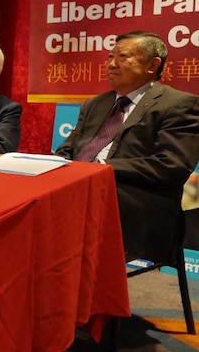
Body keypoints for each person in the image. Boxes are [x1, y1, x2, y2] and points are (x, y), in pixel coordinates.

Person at [55, 31, 199, 263]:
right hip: (82, 190)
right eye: (110, 56)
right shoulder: (96, 104)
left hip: (135, 204)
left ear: (153, 65)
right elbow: (68, 150)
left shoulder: (179, 104)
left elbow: (172, 165)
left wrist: (101, 168)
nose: (112, 64)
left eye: (123, 57)